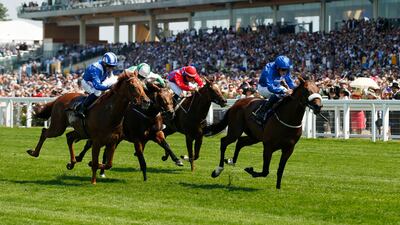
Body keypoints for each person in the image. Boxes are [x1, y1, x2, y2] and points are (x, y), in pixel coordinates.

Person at [252, 55, 296, 125]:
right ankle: (261, 112)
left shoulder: (285, 68)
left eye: (286, 69)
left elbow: (289, 81)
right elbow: (270, 87)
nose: (285, 72)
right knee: (281, 93)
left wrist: (295, 89)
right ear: (277, 67)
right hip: (264, 87)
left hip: (276, 86)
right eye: (283, 70)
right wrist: (284, 91)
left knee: (289, 94)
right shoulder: (269, 68)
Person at [76, 52, 119, 118]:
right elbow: (97, 86)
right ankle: (81, 108)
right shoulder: (96, 68)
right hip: (87, 82)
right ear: (104, 63)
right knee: (97, 92)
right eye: (110, 66)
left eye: (113, 66)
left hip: (98, 81)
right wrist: (109, 87)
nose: (111, 68)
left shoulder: (106, 66)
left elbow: (112, 78)